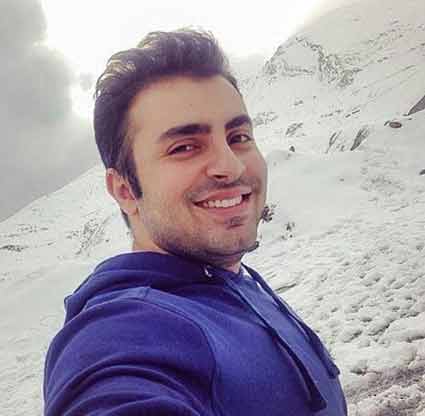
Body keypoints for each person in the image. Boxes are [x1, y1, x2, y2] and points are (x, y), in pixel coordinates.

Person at [43, 29, 347, 415]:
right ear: (124, 189)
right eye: (185, 147)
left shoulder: (232, 279)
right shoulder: (125, 331)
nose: (231, 166)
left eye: (238, 137)